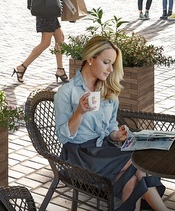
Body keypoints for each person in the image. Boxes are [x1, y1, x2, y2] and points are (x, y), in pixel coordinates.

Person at [54, 35, 169, 210]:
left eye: (112, 64)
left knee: (131, 179)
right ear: (90, 59)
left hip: (104, 150)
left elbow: (109, 127)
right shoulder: (66, 92)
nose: (110, 69)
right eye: (106, 62)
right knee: (137, 162)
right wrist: (79, 113)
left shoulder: (107, 90)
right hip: (80, 154)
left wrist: (116, 134)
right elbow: (63, 137)